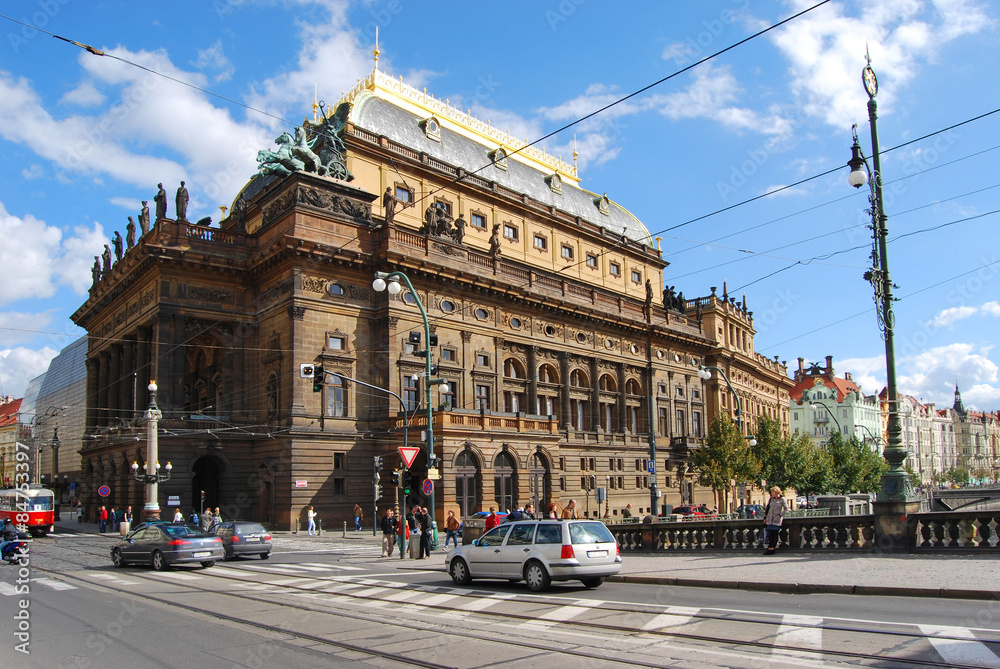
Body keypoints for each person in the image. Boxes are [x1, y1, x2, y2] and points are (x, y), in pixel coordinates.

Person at [763, 486, 787, 556]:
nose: (772, 494)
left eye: (773, 492)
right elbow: (768, 508)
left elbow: (787, 509)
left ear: (777, 492)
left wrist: (780, 514)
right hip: (770, 519)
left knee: (775, 534)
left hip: (777, 519)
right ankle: (769, 548)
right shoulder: (771, 499)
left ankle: (772, 548)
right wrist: (765, 517)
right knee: (770, 535)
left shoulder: (782, 499)